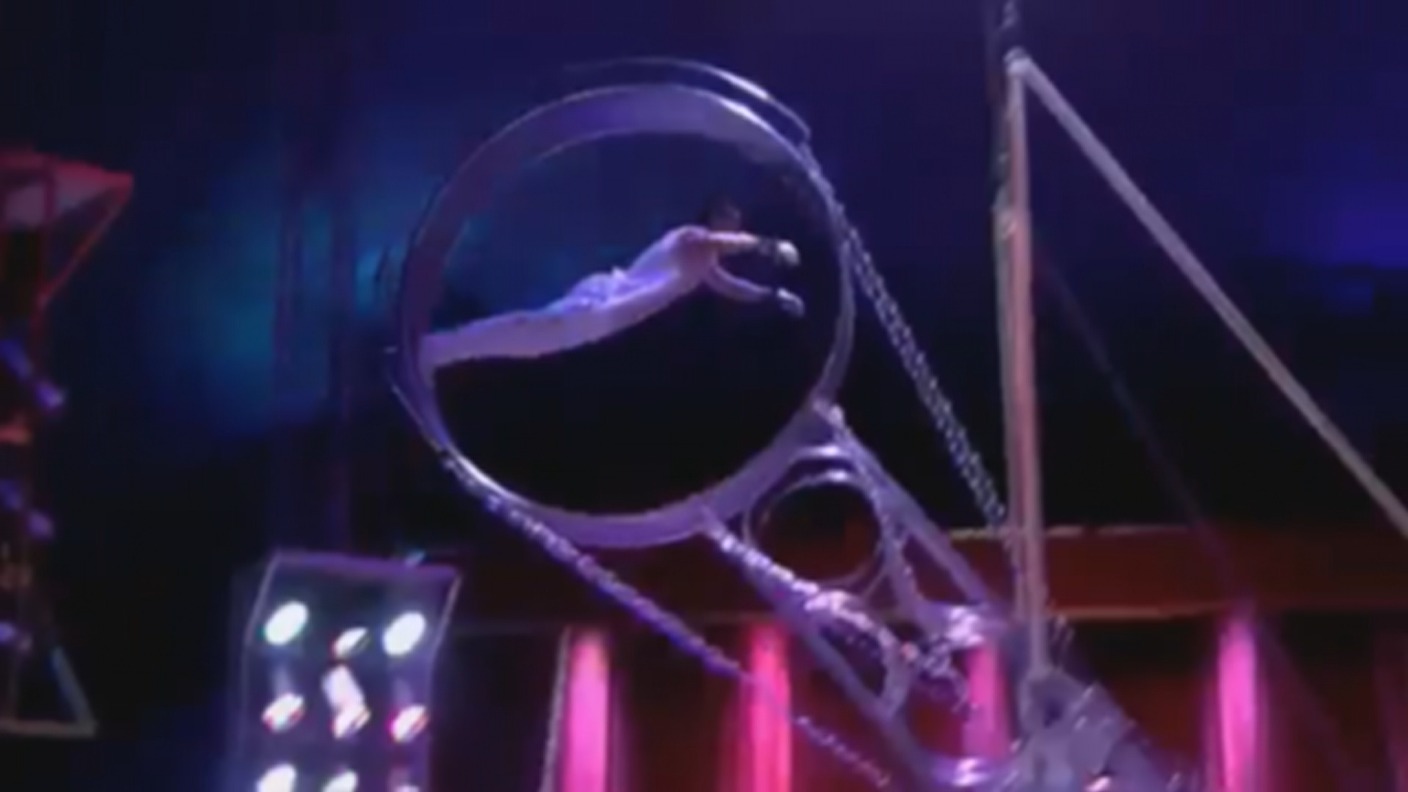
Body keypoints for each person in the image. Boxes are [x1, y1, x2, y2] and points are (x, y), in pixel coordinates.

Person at [420, 198, 805, 372]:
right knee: (530, 329)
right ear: (715, 218)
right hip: (603, 301)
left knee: (531, 342)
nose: (735, 228)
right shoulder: (689, 238)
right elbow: (721, 243)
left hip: (606, 318)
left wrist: (772, 296)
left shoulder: (702, 265)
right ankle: (436, 347)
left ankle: (441, 352)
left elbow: (729, 287)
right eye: (730, 221)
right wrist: (767, 245)